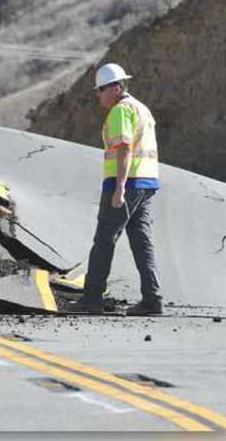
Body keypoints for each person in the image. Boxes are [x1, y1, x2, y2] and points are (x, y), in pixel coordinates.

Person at [69, 63, 164, 316]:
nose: (98, 94)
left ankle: (91, 299)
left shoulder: (121, 110)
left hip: (127, 183)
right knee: (142, 241)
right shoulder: (141, 108)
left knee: (104, 240)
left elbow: (124, 148)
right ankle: (152, 299)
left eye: (101, 89)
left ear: (117, 87)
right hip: (146, 183)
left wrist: (119, 188)